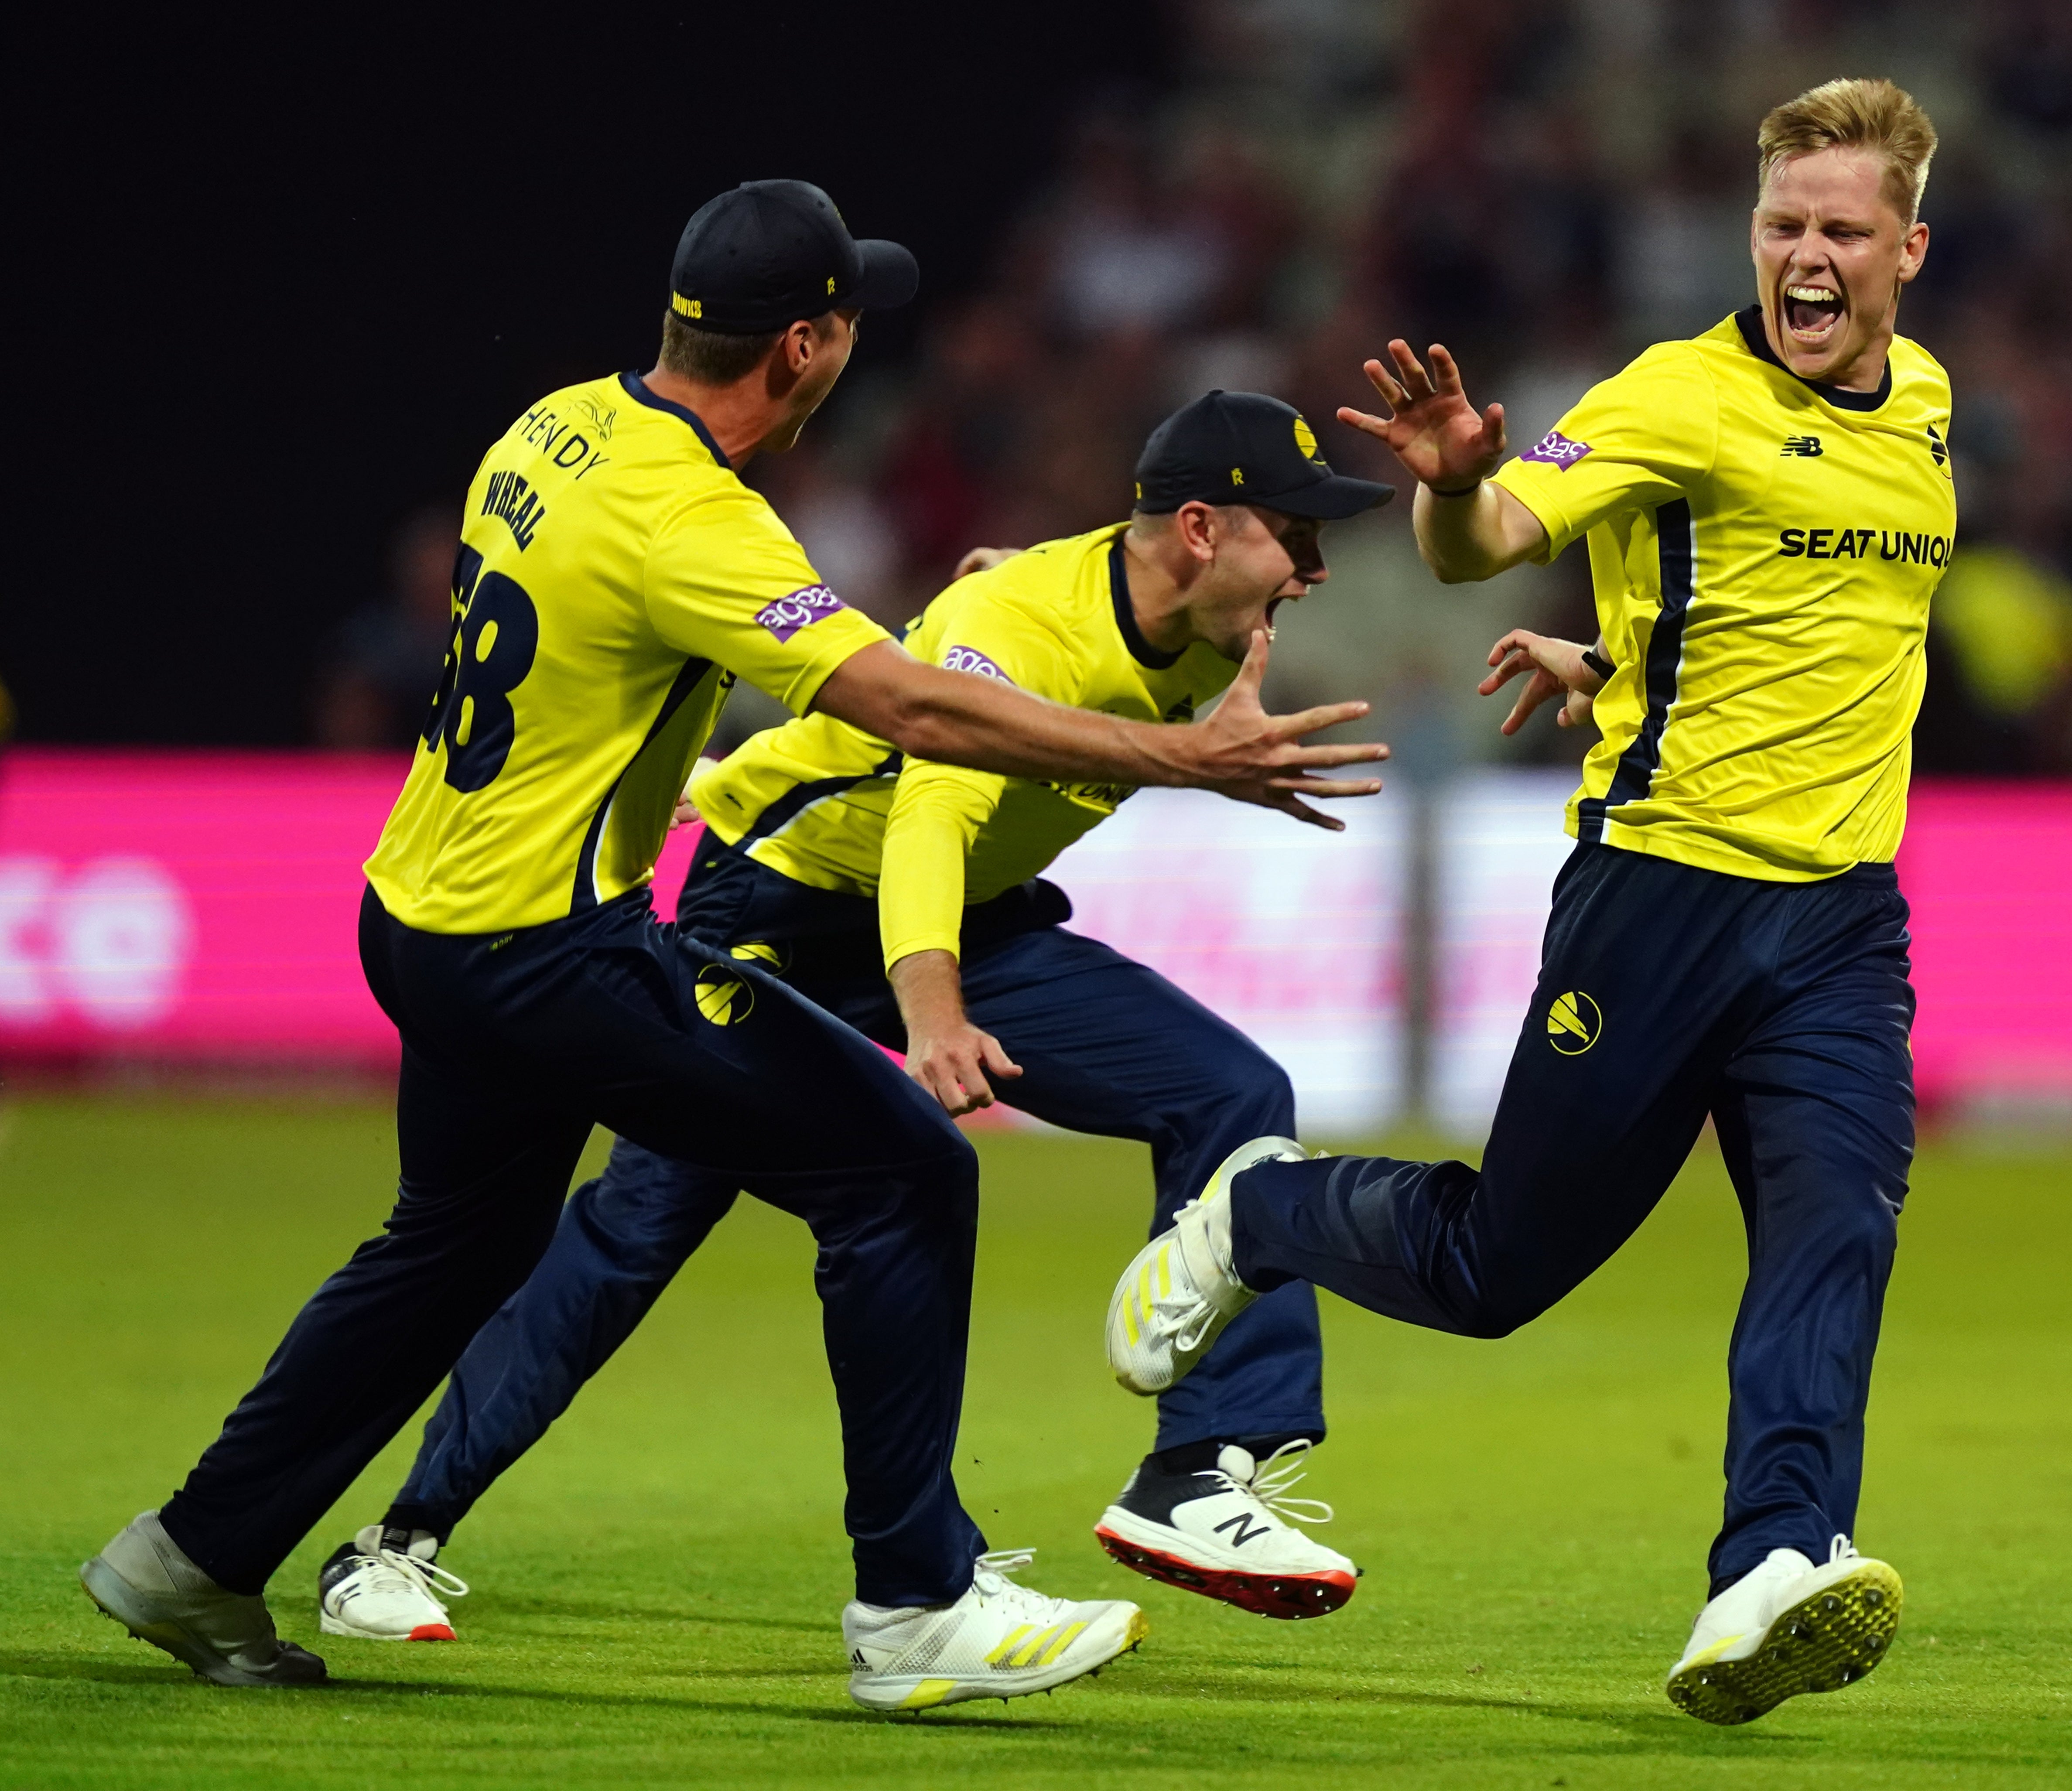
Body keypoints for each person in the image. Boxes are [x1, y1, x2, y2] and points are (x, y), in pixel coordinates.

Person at [79, 180, 1385, 1715]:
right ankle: (914, 1607)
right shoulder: (699, 517)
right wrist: (1170, 758)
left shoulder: (557, 425)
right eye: (850, 321)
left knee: (456, 1246)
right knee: (901, 1171)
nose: (855, 346)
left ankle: (195, 1550)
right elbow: (900, 712)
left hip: (418, 912)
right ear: (808, 346)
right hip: (550, 947)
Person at [1102, 79, 1952, 1727]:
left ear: (1908, 248)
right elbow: (1489, 540)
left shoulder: (1923, 400)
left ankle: (1772, 1562)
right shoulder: (1677, 397)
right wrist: (1445, 483)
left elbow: (1803, 618)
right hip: (1664, 904)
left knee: (1834, 1227)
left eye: (1843, 230)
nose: (1809, 256)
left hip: (1845, 923)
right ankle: (1258, 1214)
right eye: (1784, 226)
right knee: (1502, 1271)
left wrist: (1620, 655)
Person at [318, 392, 1392, 1649]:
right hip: (780, 902)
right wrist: (935, 1016)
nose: (1317, 568)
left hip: (970, 919)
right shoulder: (1025, 621)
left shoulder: (1205, 628)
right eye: (1296, 534)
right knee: (645, 1220)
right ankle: (391, 1542)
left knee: (1234, 1096)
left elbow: (1030, 624)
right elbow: (930, 811)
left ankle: (1201, 1470)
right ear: (1201, 528)